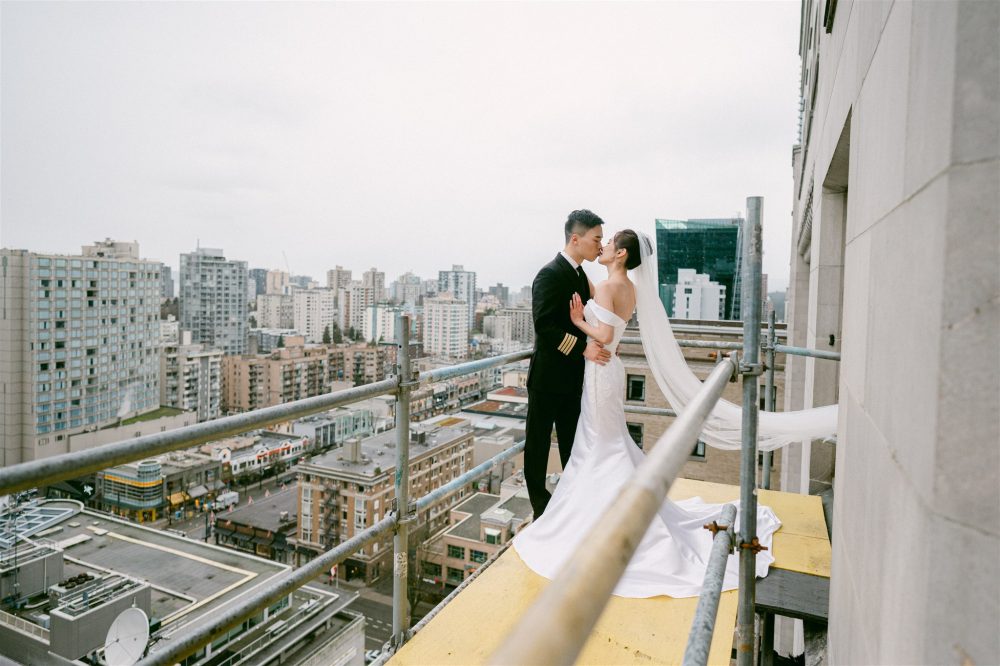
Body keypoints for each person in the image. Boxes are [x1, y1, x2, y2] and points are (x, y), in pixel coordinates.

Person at [513, 229, 780, 598]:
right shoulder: (622, 286)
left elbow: (603, 334)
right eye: (598, 239)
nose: (602, 246)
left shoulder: (606, 286)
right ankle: (593, 510)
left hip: (598, 367)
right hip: (609, 370)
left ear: (620, 253)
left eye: (607, 243)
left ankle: (586, 517)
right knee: (604, 442)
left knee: (600, 444)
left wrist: (578, 323)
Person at [524, 210, 611, 520]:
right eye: (596, 239)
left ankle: (571, 503)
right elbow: (544, 325)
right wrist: (583, 349)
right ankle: (541, 509)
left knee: (573, 447)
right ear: (576, 239)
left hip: (572, 380)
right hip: (548, 378)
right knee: (537, 447)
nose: (600, 246)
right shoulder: (549, 274)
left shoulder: (576, 273)